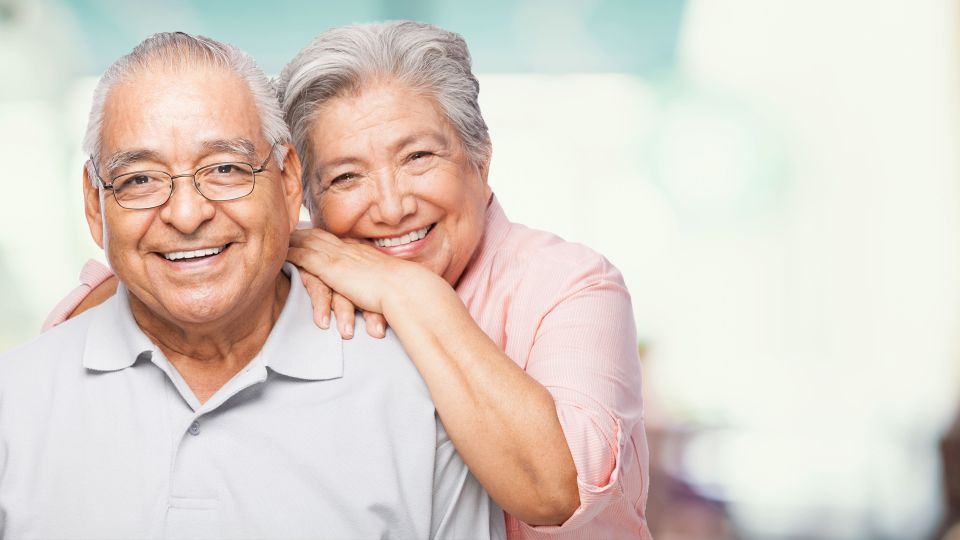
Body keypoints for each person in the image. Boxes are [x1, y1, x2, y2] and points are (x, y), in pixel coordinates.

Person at [46, 21, 651, 538]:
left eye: (418, 158)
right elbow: (78, 327)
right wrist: (267, 244)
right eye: (345, 178)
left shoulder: (571, 285)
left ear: (480, 156)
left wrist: (411, 295)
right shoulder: (299, 266)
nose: (390, 207)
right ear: (300, 193)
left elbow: (562, 491)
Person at [0, 31, 502, 540]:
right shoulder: (14, 401)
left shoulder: (418, 399)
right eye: (140, 180)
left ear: (288, 183)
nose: (187, 214)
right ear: (94, 205)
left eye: (225, 168)